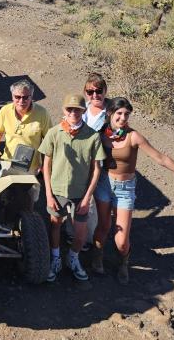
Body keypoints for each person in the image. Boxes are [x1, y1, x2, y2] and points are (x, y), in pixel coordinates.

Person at [92, 97, 174, 284]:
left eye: (126, 114)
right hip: (104, 184)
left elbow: (160, 158)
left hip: (125, 188)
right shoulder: (101, 135)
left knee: (122, 240)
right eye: (119, 113)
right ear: (110, 113)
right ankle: (97, 257)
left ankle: (123, 262)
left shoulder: (133, 136)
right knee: (103, 227)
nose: (123, 118)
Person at [39, 94, 106, 282]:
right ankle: (56, 258)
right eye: (69, 109)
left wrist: (87, 197)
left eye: (77, 109)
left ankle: (74, 258)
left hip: (81, 193)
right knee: (55, 226)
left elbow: (96, 169)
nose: (73, 113)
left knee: (81, 232)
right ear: (63, 111)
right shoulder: (54, 133)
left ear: (83, 111)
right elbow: (46, 165)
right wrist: (48, 194)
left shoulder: (92, 136)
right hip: (57, 190)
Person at [65, 73, 109, 248]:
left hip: (100, 162)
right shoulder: (81, 109)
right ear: (85, 92)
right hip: (79, 162)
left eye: (98, 91)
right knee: (73, 198)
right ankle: (71, 233)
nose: (95, 95)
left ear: (105, 90)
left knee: (90, 203)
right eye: (90, 92)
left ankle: (86, 239)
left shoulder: (111, 112)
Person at [0, 79, 52, 174]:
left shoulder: (42, 113)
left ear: (31, 97)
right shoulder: (5, 110)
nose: (21, 101)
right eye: (17, 97)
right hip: (8, 163)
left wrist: (45, 165)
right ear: (12, 97)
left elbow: (48, 141)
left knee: (31, 189)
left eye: (25, 97)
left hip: (31, 168)